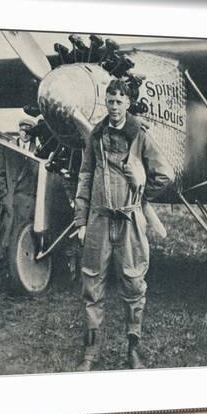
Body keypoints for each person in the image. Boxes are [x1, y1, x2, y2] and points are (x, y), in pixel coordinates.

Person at [74, 79, 175, 371]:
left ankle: (133, 350)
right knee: (92, 286)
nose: (114, 107)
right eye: (110, 101)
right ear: (106, 102)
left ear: (128, 103)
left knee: (133, 284)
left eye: (120, 102)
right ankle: (90, 354)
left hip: (130, 221)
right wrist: (81, 220)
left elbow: (164, 174)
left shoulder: (140, 135)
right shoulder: (96, 135)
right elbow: (85, 176)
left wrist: (141, 194)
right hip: (99, 221)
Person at [0, 118, 38, 251]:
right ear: (19, 131)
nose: (25, 134)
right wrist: (5, 195)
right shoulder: (9, 149)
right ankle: (4, 266)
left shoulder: (37, 151)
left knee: (23, 237)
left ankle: (19, 268)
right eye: (22, 131)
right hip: (11, 199)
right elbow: (0, 172)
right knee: (7, 235)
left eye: (28, 131)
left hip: (27, 202)